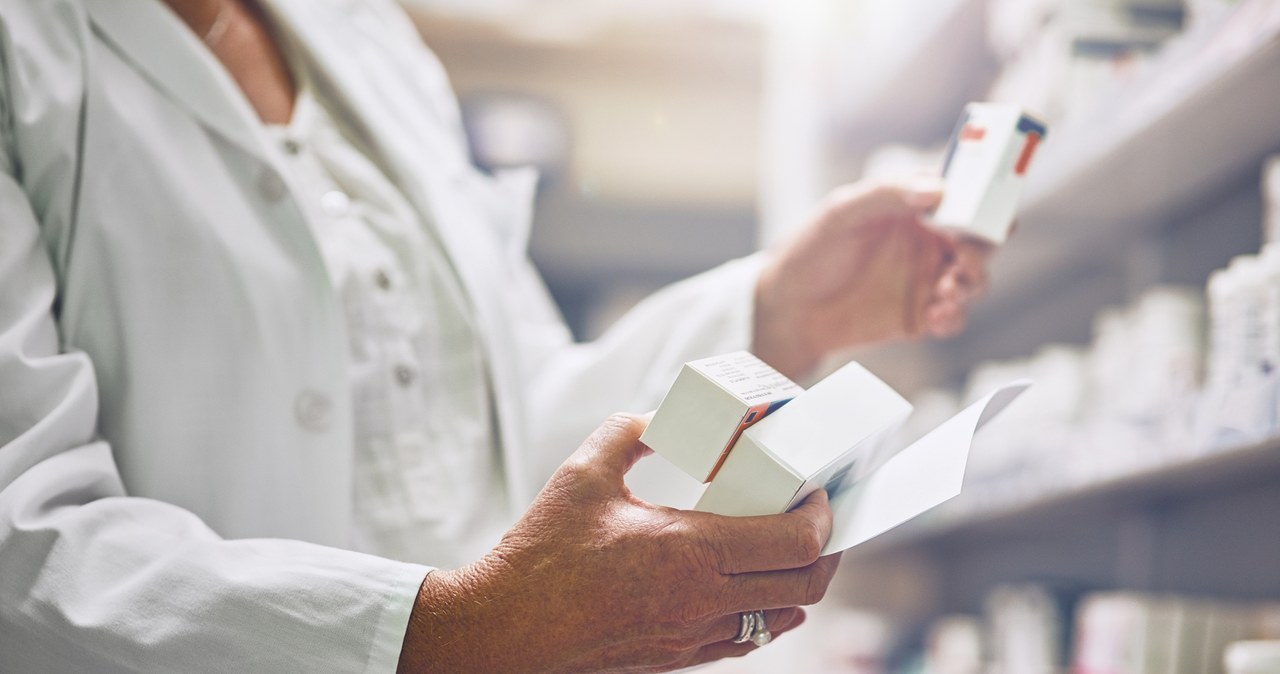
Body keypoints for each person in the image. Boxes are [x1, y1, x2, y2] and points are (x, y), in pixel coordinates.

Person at [0, 0, 991, 671]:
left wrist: (780, 309)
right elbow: (23, 539)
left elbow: (510, 410)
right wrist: (451, 632)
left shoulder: (365, 36)